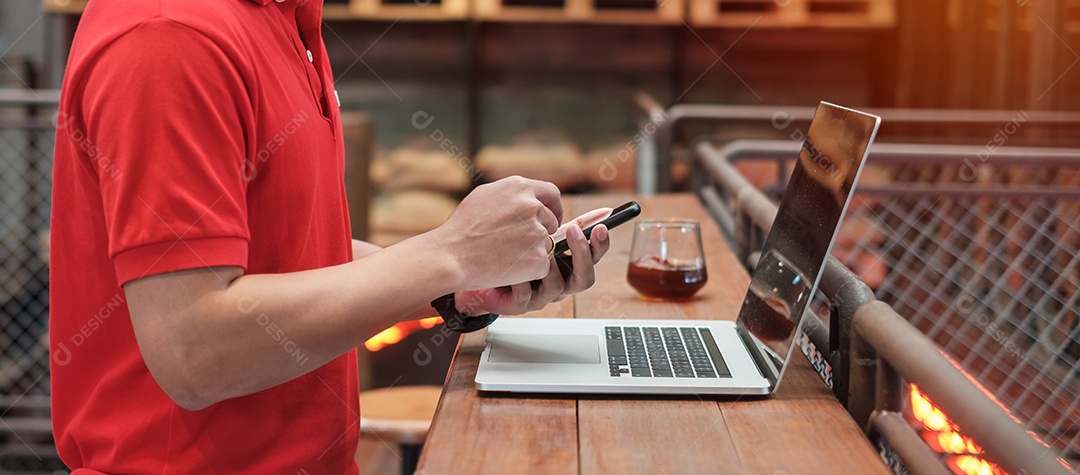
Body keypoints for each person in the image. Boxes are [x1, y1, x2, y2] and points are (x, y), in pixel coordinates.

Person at [49, 0, 610, 473]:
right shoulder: (170, 38)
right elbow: (194, 350)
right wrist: (449, 254)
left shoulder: (284, 19)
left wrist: (463, 288)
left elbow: (297, 255)